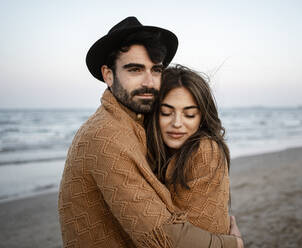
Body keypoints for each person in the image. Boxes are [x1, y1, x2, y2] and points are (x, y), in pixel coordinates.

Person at [58, 16, 243, 248]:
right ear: (108, 75)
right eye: (135, 69)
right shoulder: (106, 135)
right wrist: (233, 244)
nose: (149, 82)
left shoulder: (135, 126)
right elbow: (161, 238)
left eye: (156, 70)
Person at [146, 65, 231, 235]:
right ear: (154, 114)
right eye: (166, 112)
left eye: (189, 114)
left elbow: (197, 232)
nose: (177, 123)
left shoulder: (206, 151)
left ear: (202, 118)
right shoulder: (150, 152)